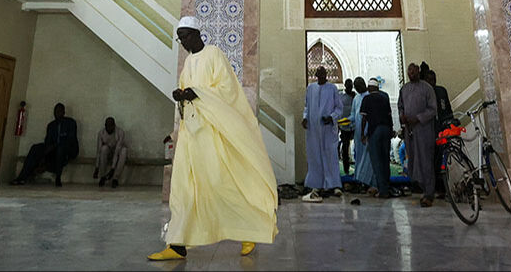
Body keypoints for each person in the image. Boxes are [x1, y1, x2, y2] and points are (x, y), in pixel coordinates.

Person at [148, 16, 277, 261]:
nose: (183, 41)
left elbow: (227, 89)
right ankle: (177, 245)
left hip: (211, 131)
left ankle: (249, 231)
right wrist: (181, 95)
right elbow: (187, 89)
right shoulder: (188, 62)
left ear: (197, 33)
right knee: (184, 189)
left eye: (185, 36)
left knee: (221, 183)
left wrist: (198, 93)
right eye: (180, 37)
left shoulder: (214, 54)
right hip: (191, 133)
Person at [398, 62, 438, 207]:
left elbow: (433, 110)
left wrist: (418, 118)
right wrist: (402, 117)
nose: (411, 74)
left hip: (424, 130)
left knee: (426, 160)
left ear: (418, 72)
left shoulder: (427, 88)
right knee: (414, 159)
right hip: (410, 131)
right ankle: (422, 188)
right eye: (409, 72)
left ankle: (429, 194)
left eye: (414, 72)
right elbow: (400, 106)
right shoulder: (404, 89)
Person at [12, 102, 78, 186]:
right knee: (35, 148)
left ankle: (58, 178)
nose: (57, 114)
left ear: (64, 113)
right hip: (54, 150)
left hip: (68, 150)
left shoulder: (70, 123)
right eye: (55, 111)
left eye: (59, 111)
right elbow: (47, 141)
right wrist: (44, 155)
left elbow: (70, 140)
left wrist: (55, 146)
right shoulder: (51, 125)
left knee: (60, 148)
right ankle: (22, 177)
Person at [301, 65, 342, 201]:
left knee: (331, 156)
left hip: (328, 130)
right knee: (315, 157)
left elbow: (339, 108)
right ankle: (316, 185)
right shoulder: (310, 88)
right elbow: (306, 106)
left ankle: (334, 185)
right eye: (319, 74)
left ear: (327, 75)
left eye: (324, 74)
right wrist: (305, 118)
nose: (322, 77)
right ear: (316, 75)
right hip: (314, 130)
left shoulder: (332, 89)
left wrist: (331, 117)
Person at [358, 76, 394, 199]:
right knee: (385, 160)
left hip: (375, 131)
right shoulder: (384, 98)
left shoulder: (367, 99)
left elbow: (364, 119)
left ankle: (382, 191)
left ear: (369, 88)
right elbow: (389, 116)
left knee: (377, 161)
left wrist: (362, 134)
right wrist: (391, 130)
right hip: (386, 129)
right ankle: (387, 187)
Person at [422, 65, 452, 198]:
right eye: (429, 80)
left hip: (442, 130)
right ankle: (431, 188)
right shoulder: (423, 94)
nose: (432, 82)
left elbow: (447, 109)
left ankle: (442, 189)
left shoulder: (441, 91)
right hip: (429, 132)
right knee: (431, 161)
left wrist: (449, 123)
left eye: (433, 79)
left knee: (442, 160)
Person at [350, 77, 374, 188]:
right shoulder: (356, 98)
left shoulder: (370, 96)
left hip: (368, 132)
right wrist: (346, 121)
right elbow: (353, 115)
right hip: (358, 133)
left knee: (368, 157)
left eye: (359, 86)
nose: (357, 88)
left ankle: (367, 181)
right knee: (358, 155)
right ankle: (358, 179)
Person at [94, 116, 128, 188]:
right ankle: (103, 176)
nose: (109, 128)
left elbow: (117, 151)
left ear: (114, 125)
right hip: (108, 153)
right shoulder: (101, 133)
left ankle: (115, 178)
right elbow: (98, 151)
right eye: (107, 126)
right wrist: (96, 168)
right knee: (103, 149)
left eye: (111, 126)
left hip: (118, 153)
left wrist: (112, 169)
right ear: (105, 126)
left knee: (124, 150)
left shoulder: (120, 132)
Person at [338, 78, 355, 174]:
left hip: (355, 127)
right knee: (345, 148)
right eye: (348, 85)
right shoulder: (341, 98)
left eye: (351, 85)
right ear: (345, 86)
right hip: (344, 127)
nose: (349, 87)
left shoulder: (355, 97)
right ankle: (346, 169)